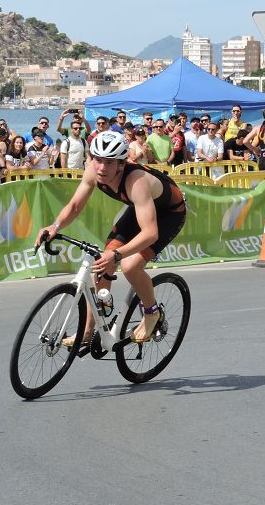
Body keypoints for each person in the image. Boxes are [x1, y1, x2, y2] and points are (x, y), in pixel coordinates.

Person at [35, 131, 186, 345]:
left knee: (129, 265)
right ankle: (87, 332)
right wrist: (54, 225)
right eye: (98, 160)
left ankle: (152, 312)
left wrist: (116, 255)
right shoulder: (93, 170)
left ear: (122, 164)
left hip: (169, 214)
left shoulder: (136, 181)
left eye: (109, 162)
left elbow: (151, 234)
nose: (102, 168)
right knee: (101, 264)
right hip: (140, 209)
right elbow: (75, 206)